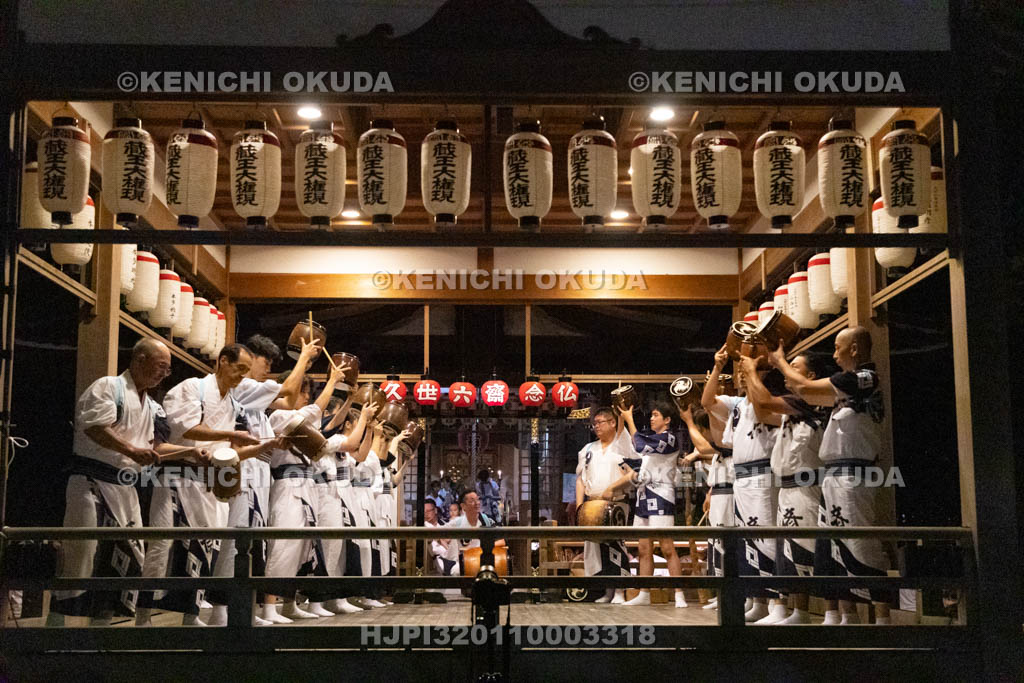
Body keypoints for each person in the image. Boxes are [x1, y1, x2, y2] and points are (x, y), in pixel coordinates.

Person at [48, 340, 208, 626]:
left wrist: (189, 452)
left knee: (127, 556)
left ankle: (102, 629)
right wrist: (131, 451)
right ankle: (58, 625)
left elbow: (157, 447)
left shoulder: (153, 407)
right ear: (139, 359)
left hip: (125, 487)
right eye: (161, 366)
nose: (163, 374)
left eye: (168, 370)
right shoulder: (109, 386)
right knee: (82, 553)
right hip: (92, 481)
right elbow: (95, 427)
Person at [770, 327, 893, 625]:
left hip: (854, 472)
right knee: (832, 547)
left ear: (854, 349)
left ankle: (882, 618)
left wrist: (780, 361)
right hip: (834, 473)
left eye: (838, 348)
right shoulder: (844, 388)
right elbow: (805, 391)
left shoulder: (864, 378)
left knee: (859, 542)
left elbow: (807, 389)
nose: (834, 354)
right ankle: (845, 615)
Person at [136, 343, 263, 627]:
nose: (241, 376)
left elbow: (229, 451)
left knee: (206, 547)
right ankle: (143, 615)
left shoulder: (233, 404)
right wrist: (230, 433)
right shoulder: (192, 388)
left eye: (246, 372)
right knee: (161, 543)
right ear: (222, 361)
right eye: (239, 368)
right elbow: (185, 427)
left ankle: (189, 615)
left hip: (208, 481)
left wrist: (265, 446)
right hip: (176, 475)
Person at [208, 335, 323, 626]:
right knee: (235, 542)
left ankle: (243, 609)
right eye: (265, 362)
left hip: (258, 473)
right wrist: (304, 359)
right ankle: (221, 611)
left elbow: (286, 396)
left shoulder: (254, 400)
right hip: (241, 469)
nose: (266, 369)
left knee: (252, 545)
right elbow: (287, 389)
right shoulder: (242, 387)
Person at [742, 352, 832, 625]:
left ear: (811, 376)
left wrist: (751, 370)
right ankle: (790, 609)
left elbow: (765, 400)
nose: (787, 370)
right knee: (788, 549)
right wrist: (749, 376)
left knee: (805, 548)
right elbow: (761, 409)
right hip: (789, 488)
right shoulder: (794, 404)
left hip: (806, 486)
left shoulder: (808, 400)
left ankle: (813, 611)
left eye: (795, 366)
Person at [702, 345, 784, 623]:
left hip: (762, 475)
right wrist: (717, 367)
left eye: (746, 370)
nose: (740, 373)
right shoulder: (738, 406)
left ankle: (777, 604)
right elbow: (706, 401)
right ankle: (757, 599)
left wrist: (754, 373)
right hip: (741, 478)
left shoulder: (769, 399)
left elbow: (764, 409)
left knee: (766, 539)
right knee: (747, 541)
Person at [261, 368, 343, 623]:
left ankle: (290, 603)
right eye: (302, 390)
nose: (306, 396)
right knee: (283, 546)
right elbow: (313, 413)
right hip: (287, 484)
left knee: (303, 548)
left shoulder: (298, 417)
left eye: (308, 391)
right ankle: (268, 607)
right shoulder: (278, 417)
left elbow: (318, 423)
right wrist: (331, 381)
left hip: (306, 487)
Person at [604, 402, 687, 608]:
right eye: (651, 415)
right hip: (644, 493)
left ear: (667, 420)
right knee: (643, 547)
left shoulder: (669, 438)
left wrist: (630, 419)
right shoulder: (651, 440)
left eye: (656, 415)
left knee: (667, 547)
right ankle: (644, 592)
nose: (651, 418)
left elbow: (640, 444)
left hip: (661, 494)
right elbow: (637, 447)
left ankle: (679, 594)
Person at [575, 406, 634, 604]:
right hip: (592, 504)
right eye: (595, 423)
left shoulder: (621, 447)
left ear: (612, 423)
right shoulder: (588, 449)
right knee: (597, 550)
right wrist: (579, 505)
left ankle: (620, 591)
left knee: (616, 545)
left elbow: (633, 474)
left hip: (616, 502)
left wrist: (613, 488)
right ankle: (607, 590)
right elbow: (581, 479)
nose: (596, 426)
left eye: (601, 422)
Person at [425, 500, 459, 576]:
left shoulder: (443, 524)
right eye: (424, 512)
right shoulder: (425, 525)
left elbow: (449, 540)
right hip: (437, 559)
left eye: (428, 511)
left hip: (451, 555)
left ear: (435, 510)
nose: (426, 514)